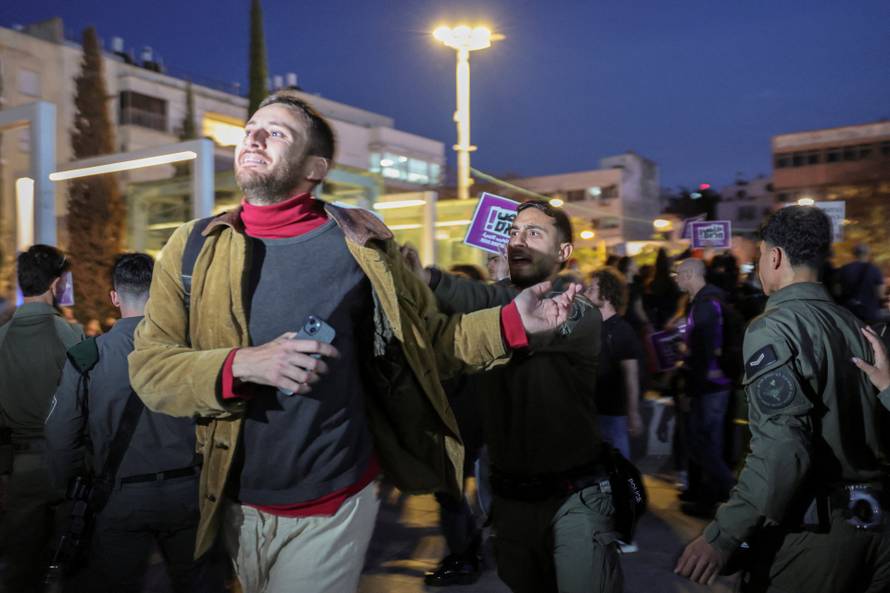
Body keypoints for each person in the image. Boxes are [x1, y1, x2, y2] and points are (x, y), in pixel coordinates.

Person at [128, 91, 579, 593]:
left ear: (314, 166)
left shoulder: (362, 245)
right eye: (250, 127)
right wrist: (242, 365)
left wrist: (510, 324)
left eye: (276, 132)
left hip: (335, 500)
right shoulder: (191, 247)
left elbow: (426, 343)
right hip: (227, 499)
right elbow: (150, 369)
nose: (252, 137)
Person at [409, 200, 623, 593]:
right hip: (510, 502)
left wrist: (433, 279)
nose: (518, 240)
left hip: (575, 498)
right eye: (513, 232)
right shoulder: (492, 303)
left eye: (534, 232)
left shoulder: (577, 310)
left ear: (563, 253)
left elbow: (505, 311)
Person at [676, 206, 890, 591]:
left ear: (774, 257)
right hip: (878, 528)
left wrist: (724, 535)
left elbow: (782, 449)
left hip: (819, 537)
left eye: (759, 255)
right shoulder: (858, 325)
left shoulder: (776, 327)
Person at [45, 253, 220, 593]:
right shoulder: (191, 353)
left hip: (118, 495)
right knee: (199, 584)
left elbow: (60, 433)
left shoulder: (88, 358)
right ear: (160, 294)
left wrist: (67, 487)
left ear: (114, 297)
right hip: (188, 492)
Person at [0, 245, 84, 593]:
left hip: (20, 467)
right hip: (68, 462)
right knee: (73, 564)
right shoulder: (71, 336)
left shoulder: (1, 339)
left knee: (21, 567)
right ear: (56, 283)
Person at [675, 258, 736, 518]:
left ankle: (729, 494)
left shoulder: (705, 305)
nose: (676, 279)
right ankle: (710, 497)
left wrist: (685, 359)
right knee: (706, 443)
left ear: (690, 274)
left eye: (678, 274)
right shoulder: (706, 302)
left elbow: (703, 351)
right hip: (714, 384)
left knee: (705, 445)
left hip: (710, 386)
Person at [586, 266, 643, 458]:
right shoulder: (592, 326)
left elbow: (631, 375)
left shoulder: (621, 330)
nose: (586, 292)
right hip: (592, 410)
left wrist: (633, 413)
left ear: (607, 294)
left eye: (592, 288)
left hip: (613, 413)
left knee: (619, 467)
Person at [838, 244, 886, 323]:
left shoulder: (844, 268)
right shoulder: (874, 269)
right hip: (869, 313)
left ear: (854, 254)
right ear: (868, 254)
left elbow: (838, 291)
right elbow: (880, 294)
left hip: (848, 311)